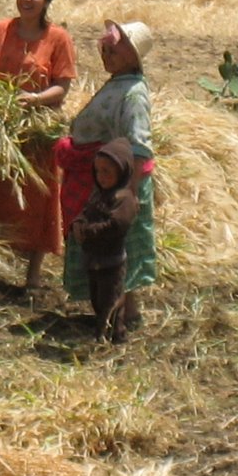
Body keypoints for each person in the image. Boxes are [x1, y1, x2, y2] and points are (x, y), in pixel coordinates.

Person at [0, 0, 77, 290]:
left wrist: (36, 100)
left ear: (45, 2)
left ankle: (32, 278)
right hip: (1, 125)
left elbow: (62, 87)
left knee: (38, 197)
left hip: (38, 128)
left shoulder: (58, 39)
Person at [56, 20, 156, 329]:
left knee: (116, 247)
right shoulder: (119, 83)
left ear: (133, 56)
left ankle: (121, 316)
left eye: (118, 47)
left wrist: (127, 194)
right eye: (107, 47)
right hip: (103, 180)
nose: (108, 51)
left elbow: (139, 147)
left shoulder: (133, 95)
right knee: (110, 247)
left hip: (118, 184)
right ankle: (119, 312)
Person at [70, 137, 139, 343]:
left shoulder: (123, 199)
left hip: (112, 261)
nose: (101, 177)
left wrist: (89, 231)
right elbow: (86, 212)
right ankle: (101, 330)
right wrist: (78, 224)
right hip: (93, 258)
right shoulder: (99, 194)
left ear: (122, 170)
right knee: (97, 299)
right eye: (98, 171)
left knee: (112, 301)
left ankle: (115, 336)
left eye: (107, 171)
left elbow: (116, 225)